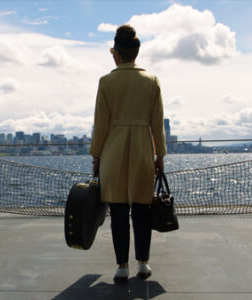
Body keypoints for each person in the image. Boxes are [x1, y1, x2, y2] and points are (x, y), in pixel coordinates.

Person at [89, 24, 166, 282]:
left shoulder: (107, 81)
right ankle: (143, 263)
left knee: (119, 211)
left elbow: (101, 123)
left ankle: (122, 265)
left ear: (117, 53)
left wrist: (96, 155)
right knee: (142, 209)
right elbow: (158, 123)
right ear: (137, 52)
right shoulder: (151, 81)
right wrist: (160, 156)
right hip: (143, 150)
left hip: (113, 150)